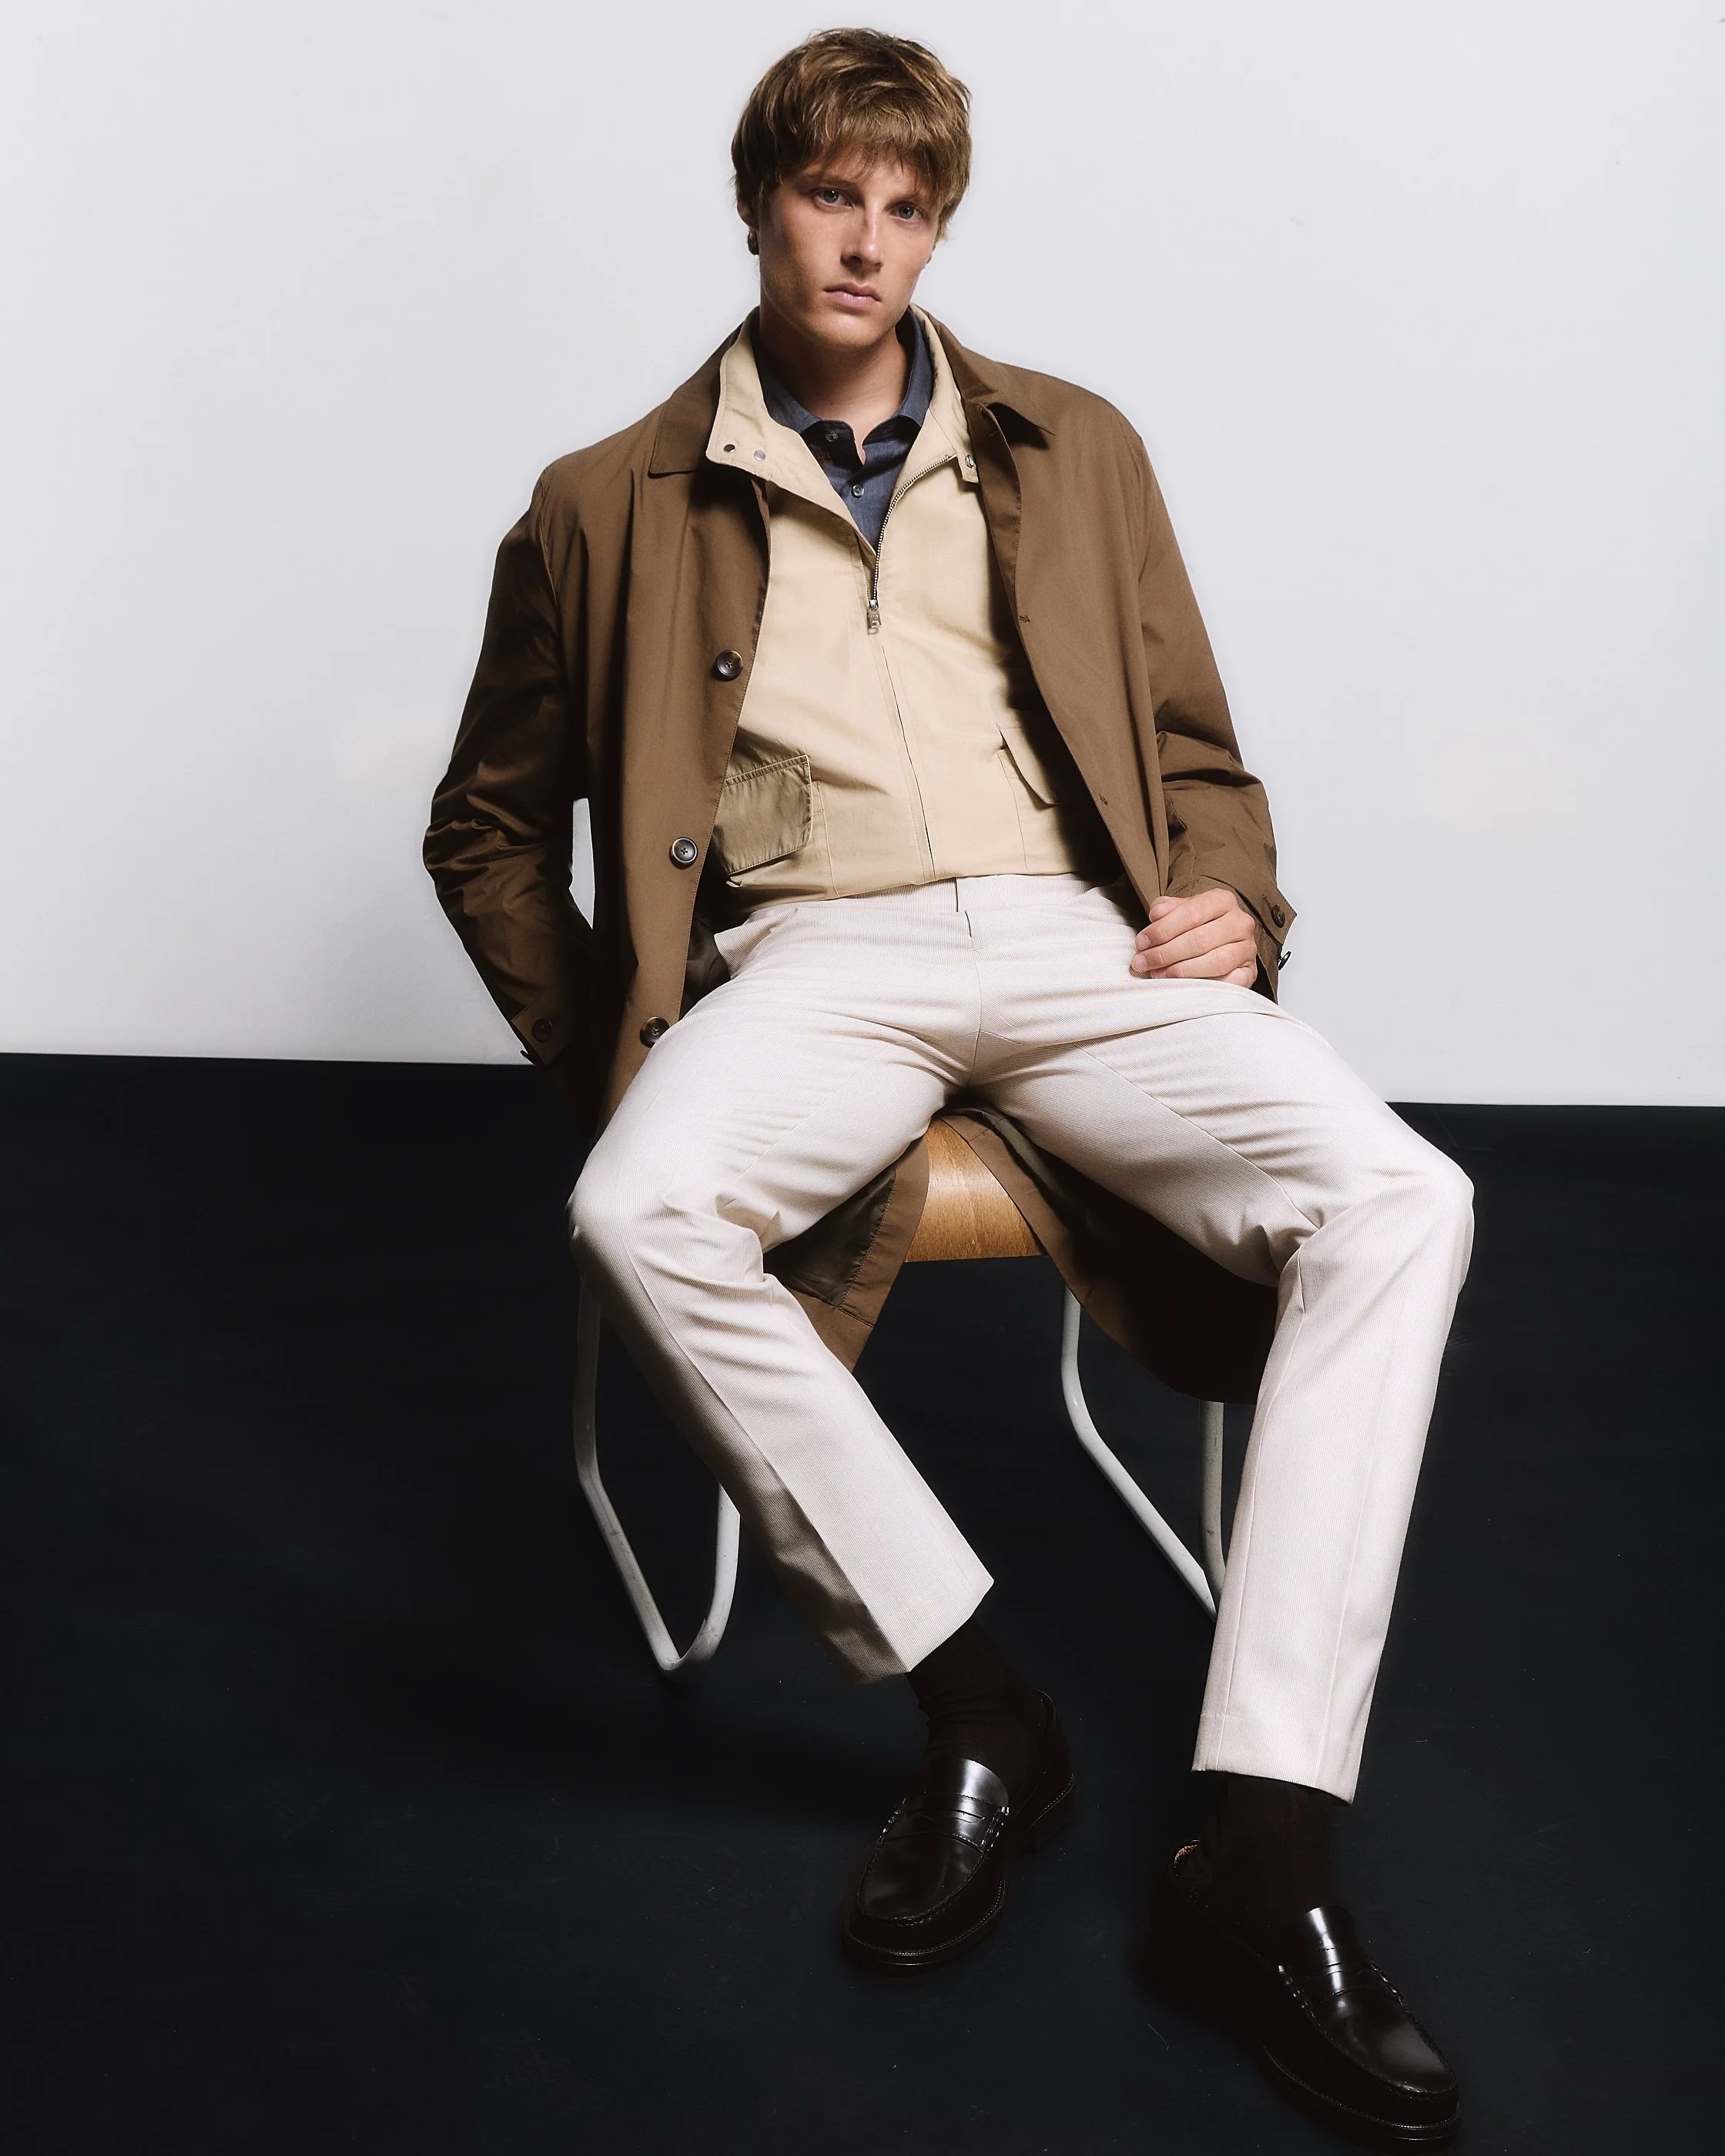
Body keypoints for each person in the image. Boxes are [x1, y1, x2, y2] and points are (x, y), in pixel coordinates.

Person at [424, 29, 1473, 2149]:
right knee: (638, 1206)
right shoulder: (601, 501)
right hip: (812, 957)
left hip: (1082, 941)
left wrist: (1232, 898)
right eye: (834, 197)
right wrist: (616, 1035)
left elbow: (1195, 743)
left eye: (908, 210)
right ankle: (980, 1701)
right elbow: (488, 827)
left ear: (939, 230)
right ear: (759, 205)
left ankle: (1263, 1842)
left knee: (1405, 1199)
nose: (868, 244)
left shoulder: (1074, 444)